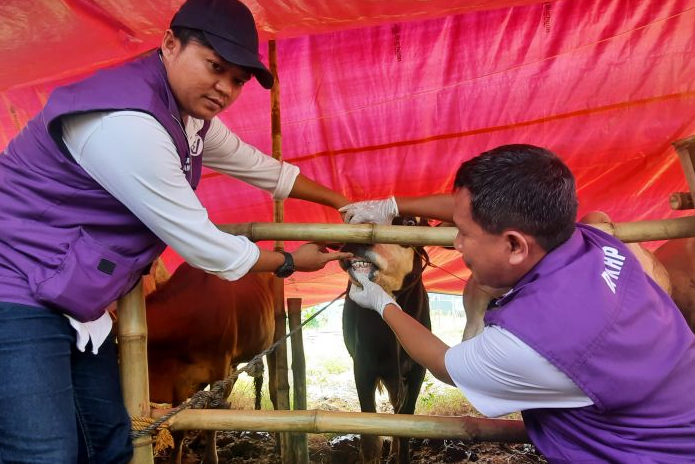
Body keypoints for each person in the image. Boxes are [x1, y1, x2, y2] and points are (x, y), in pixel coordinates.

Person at [0, 0, 353, 462]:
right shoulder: (126, 123)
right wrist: (288, 261)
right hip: (16, 291)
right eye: (214, 67)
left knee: (106, 444)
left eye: (237, 80)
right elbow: (203, 244)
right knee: (45, 453)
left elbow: (262, 168)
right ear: (169, 44)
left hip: (73, 300)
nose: (224, 88)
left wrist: (340, 200)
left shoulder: (189, 119)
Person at [341, 144, 695, 462]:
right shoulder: (595, 242)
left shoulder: (533, 342)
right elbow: (469, 207)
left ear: (514, 245)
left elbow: (443, 364)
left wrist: (382, 303)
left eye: (464, 233)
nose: (457, 245)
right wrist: (394, 204)